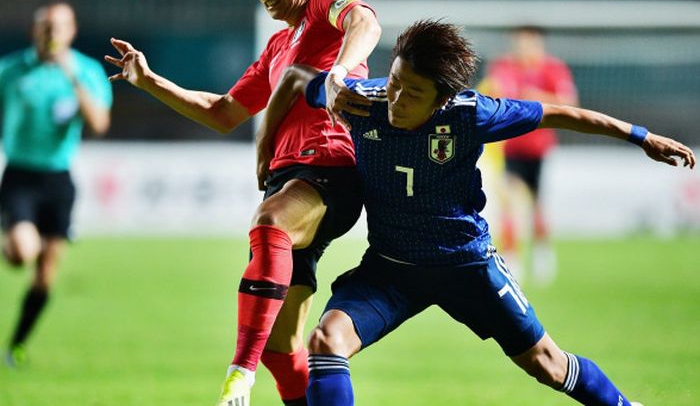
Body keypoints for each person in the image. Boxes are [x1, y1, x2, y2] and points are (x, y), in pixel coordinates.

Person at [256, 20, 695, 406]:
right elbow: (295, 77)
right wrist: (269, 146)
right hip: (390, 270)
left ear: (443, 100)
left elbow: (560, 113)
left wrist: (641, 137)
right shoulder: (362, 102)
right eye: (394, 82)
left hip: (466, 266)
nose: (396, 99)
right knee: (325, 341)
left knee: (546, 363)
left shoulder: (473, 115)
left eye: (413, 93)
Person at [104, 0, 381, 404]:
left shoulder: (324, 3)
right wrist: (149, 81)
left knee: (269, 222)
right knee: (281, 347)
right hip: (289, 178)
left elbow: (365, 22)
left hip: (328, 169)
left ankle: (238, 372)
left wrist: (340, 71)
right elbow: (223, 111)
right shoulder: (276, 46)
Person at [1, 2, 112, 367]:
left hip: (59, 180)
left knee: (45, 274)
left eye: (58, 27)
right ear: (35, 31)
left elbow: (98, 124)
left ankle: (15, 345)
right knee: (21, 253)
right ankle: (11, 237)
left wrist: (72, 79)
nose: (51, 34)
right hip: (19, 175)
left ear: (71, 31)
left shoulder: (86, 71)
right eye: (45, 27)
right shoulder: (11, 71)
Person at [485, 25, 579, 284]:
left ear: (539, 44)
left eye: (528, 42)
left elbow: (570, 102)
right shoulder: (504, 67)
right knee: (509, 201)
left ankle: (541, 252)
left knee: (538, 204)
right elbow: (493, 93)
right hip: (510, 147)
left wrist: (536, 98)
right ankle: (511, 256)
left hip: (539, 149)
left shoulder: (553, 69)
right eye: (518, 42)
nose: (522, 47)